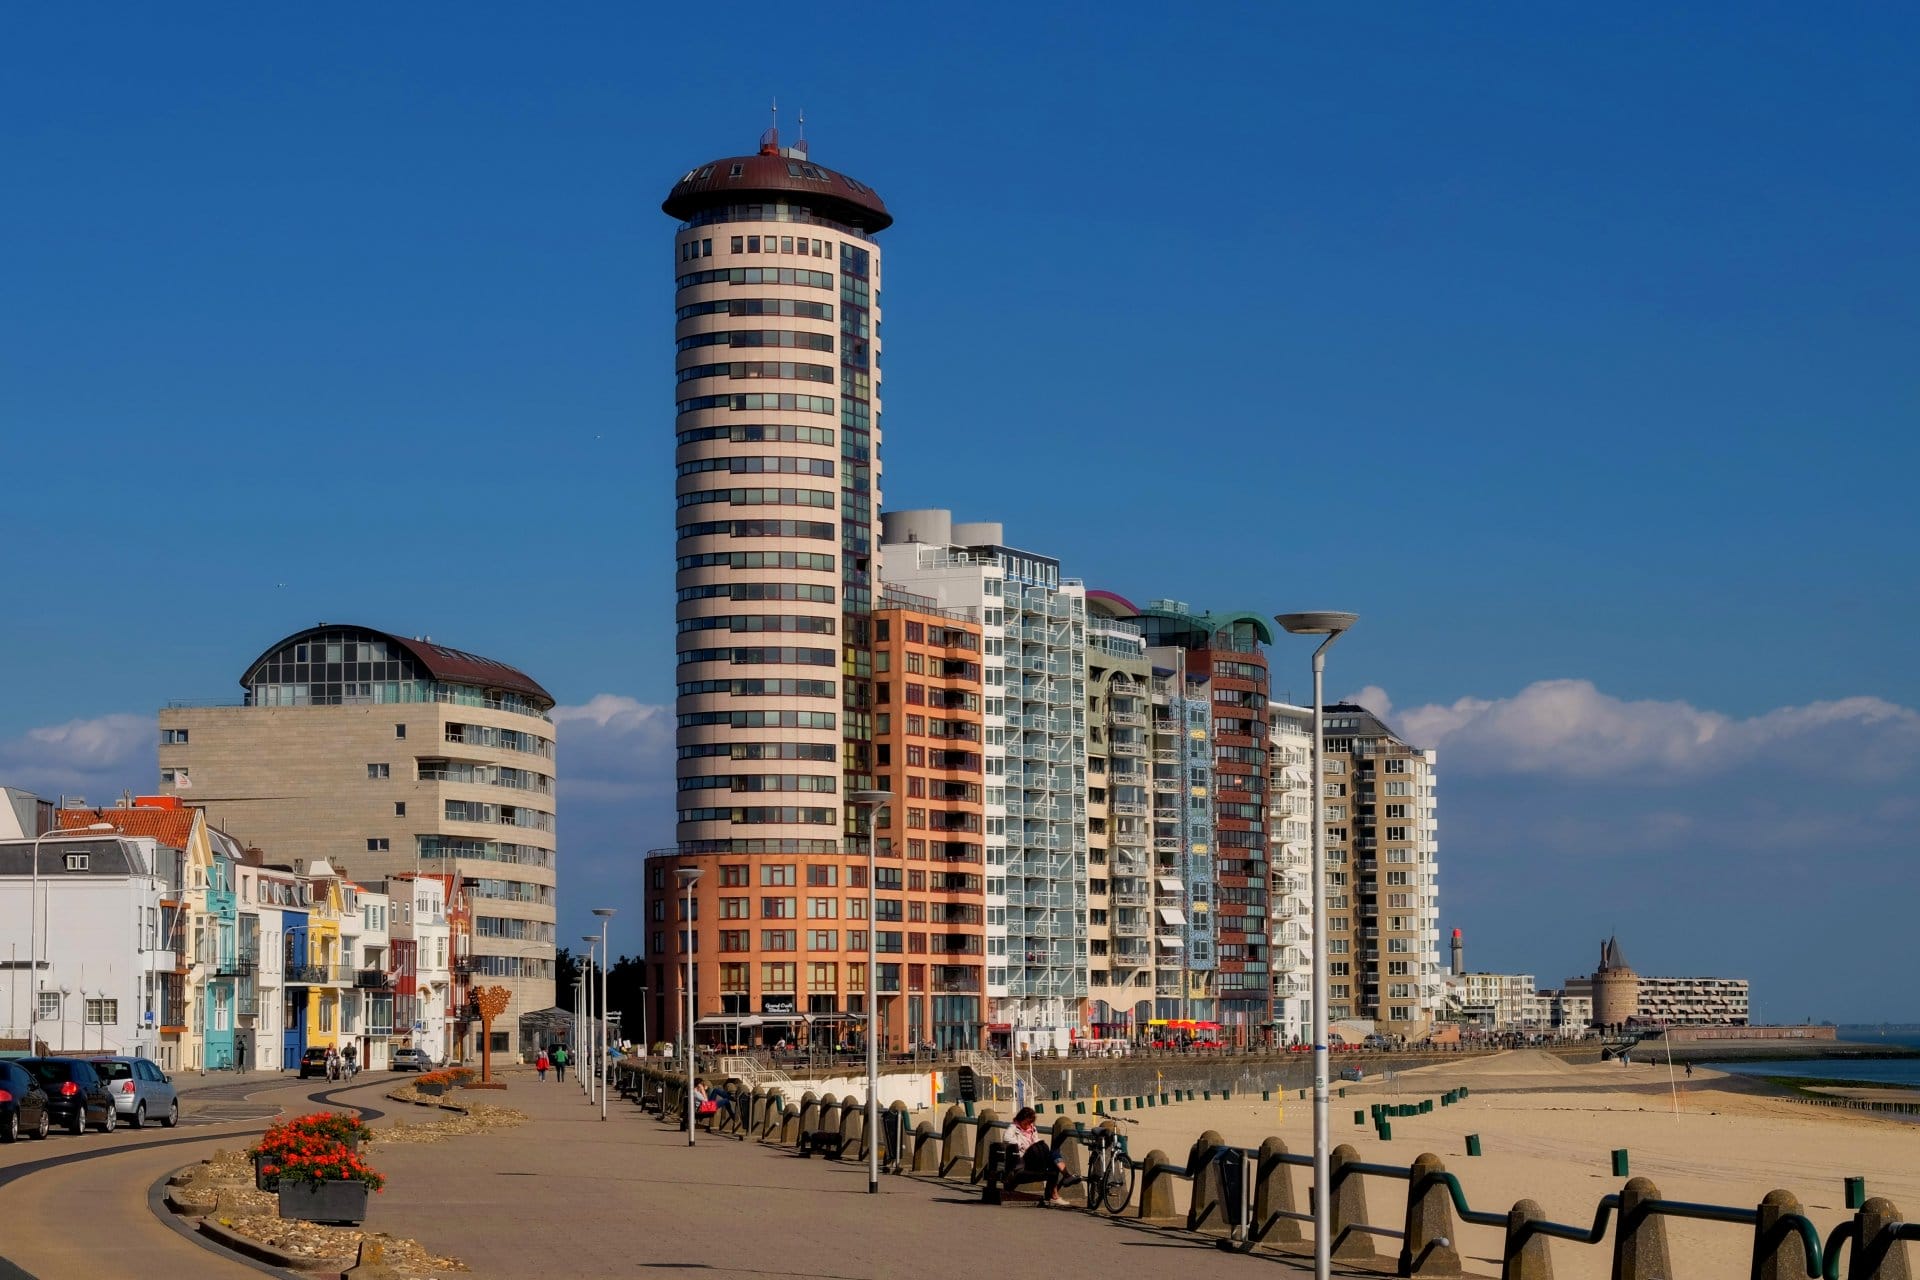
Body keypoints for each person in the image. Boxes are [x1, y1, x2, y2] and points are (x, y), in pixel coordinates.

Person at [1008, 1106, 1072, 1205]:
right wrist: (1020, 1145)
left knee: (1054, 1153)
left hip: (1036, 1158)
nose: (1028, 1125)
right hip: (1025, 1160)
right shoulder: (1013, 1128)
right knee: (1049, 1156)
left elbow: (1035, 1140)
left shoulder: (1032, 1128)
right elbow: (1006, 1138)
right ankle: (1062, 1182)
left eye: (1030, 1123)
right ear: (1020, 1119)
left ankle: (1064, 1180)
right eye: (1026, 1123)